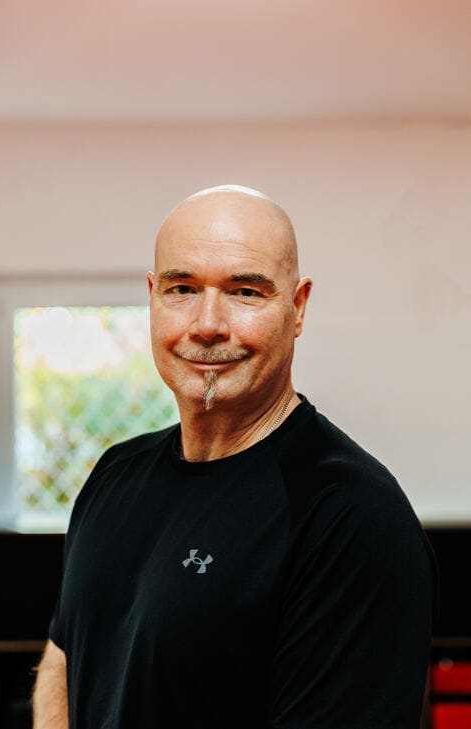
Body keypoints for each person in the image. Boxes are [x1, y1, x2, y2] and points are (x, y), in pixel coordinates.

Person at [32, 184, 437, 729]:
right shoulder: (114, 475)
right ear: (152, 296)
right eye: (182, 289)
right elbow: (64, 660)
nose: (207, 324)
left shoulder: (353, 517)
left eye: (245, 292)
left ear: (297, 307)